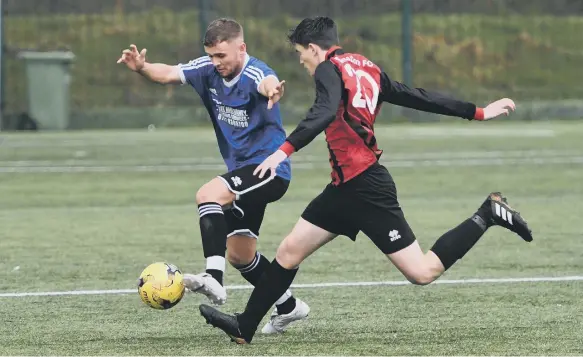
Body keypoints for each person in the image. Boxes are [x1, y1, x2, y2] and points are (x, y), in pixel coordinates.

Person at [198, 16, 533, 344]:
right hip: (344, 188)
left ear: (314, 48)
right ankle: (245, 326)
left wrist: (282, 151)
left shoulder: (329, 68)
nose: (301, 61)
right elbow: (417, 96)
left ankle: (487, 214)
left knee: (422, 272)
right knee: (289, 251)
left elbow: (325, 110)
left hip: (366, 187)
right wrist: (478, 111)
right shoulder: (365, 66)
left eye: (301, 53)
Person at [117, 18, 309, 334]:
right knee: (241, 255)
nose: (216, 62)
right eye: (212, 56)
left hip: (269, 170)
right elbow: (167, 74)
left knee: (208, 194)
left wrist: (273, 90)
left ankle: (213, 279)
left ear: (241, 48)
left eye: (222, 55)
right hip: (243, 174)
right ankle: (288, 306)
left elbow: (268, 81)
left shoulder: (254, 72)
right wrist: (141, 67)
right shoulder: (207, 69)